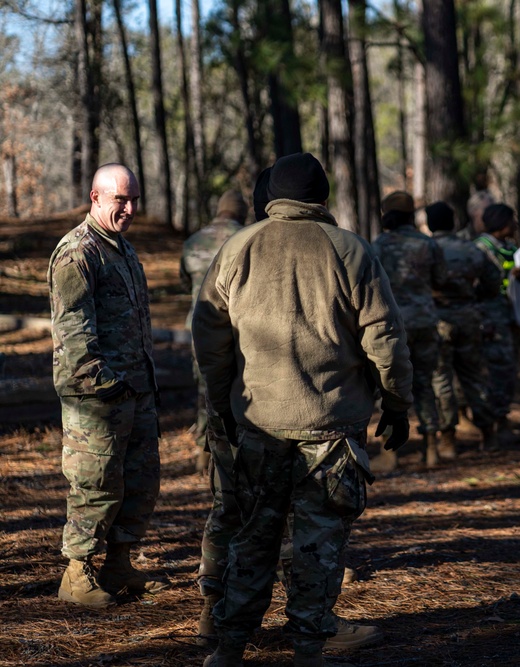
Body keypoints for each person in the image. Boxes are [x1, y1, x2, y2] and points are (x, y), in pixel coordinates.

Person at [193, 152, 413, 667]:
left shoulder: (238, 247)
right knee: (320, 543)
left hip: (257, 422)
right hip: (331, 428)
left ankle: (228, 647)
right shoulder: (349, 250)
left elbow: (210, 336)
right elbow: (385, 337)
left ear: (273, 196)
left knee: (252, 538)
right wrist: (397, 404)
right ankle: (310, 648)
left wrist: (222, 402)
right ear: (322, 197)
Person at [48, 163, 170, 608]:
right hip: (97, 398)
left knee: (140, 481)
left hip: (134, 391)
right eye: (121, 199)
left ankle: (119, 563)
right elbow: (73, 332)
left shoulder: (121, 248)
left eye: (134, 199)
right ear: (96, 198)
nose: (130, 208)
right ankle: (76, 575)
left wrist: (139, 386)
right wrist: (106, 388)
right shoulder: (78, 253)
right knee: (95, 484)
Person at [371, 191, 447, 470]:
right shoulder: (428, 244)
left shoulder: (378, 245)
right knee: (426, 384)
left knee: (389, 387)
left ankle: (390, 453)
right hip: (426, 321)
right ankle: (431, 450)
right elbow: (441, 279)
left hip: (392, 326)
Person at [426, 201, 502, 456]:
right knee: (474, 375)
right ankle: (489, 434)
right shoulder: (471, 249)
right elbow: (493, 282)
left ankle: (448, 439)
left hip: (438, 319)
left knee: (441, 379)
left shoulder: (427, 249)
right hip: (469, 316)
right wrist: (472, 297)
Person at [180, 189, 248, 472]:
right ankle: (231, 450)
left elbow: (185, 280)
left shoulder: (194, 240)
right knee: (236, 387)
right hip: (235, 328)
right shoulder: (247, 239)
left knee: (204, 387)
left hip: (199, 326)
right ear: (241, 212)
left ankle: (202, 450)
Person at [475, 203, 520, 445]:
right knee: (495, 370)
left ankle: (501, 419)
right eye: (512, 220)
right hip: (490, 319)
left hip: (509, 316)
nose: (515, 225)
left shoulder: (510, 248)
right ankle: (490, 426)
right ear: (502, 223)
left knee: (507, 369)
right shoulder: (480, 250)